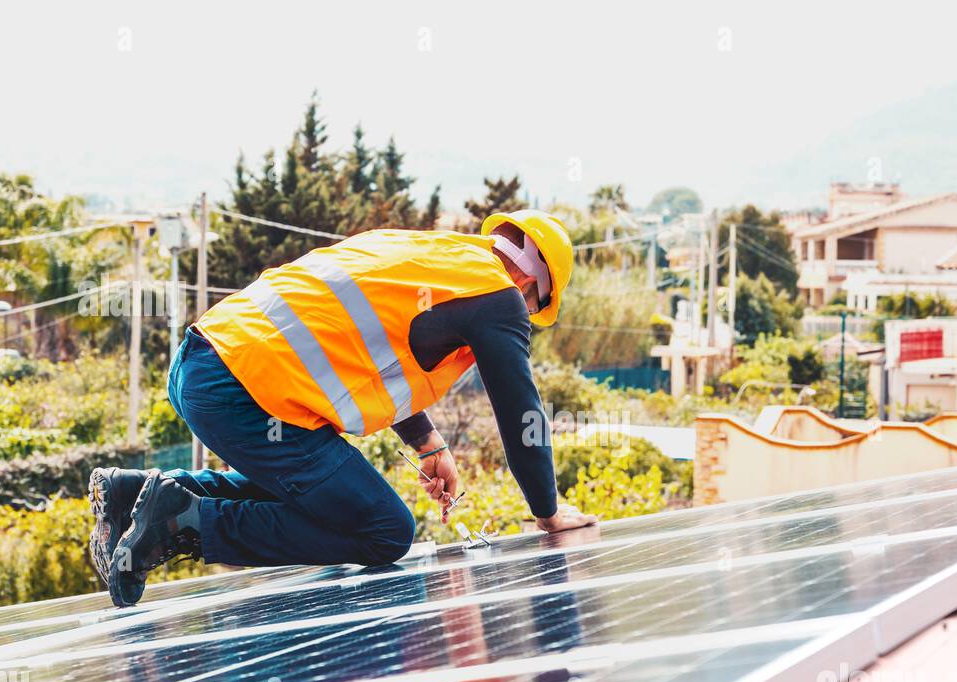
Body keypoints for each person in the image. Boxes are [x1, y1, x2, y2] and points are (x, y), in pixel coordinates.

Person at [89, 210, 597, 607]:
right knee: (385, 529)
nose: (525, 317)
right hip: (248, 391)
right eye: (534, 310)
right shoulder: (498, 296)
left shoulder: (424, 252)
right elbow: (521, 414)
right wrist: (547, 512)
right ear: (532, 286)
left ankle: (132, 493)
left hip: (201, 365)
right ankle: (183, 524)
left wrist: (427, 443)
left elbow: (373, 346)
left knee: (321, 499)